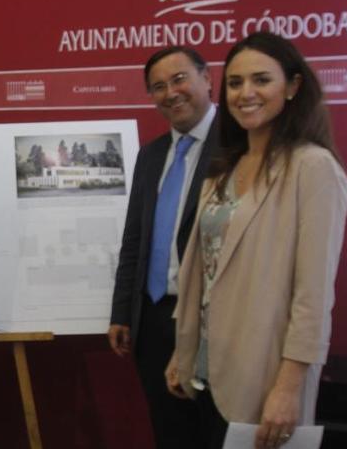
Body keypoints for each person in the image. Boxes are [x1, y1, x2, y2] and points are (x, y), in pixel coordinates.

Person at [165, 32, 347, 449]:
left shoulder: (312, 168)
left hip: (266, 377)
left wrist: (288, 387)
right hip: (207, 372)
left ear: (293, 87)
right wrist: (184, 351)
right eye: (234, 83)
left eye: (261, 80)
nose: (245, 93)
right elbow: (202, 274)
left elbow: (313, 296)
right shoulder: (223, 168)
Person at [109, 46, 217, 447]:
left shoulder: (239, 147)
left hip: (213, 319)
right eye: (158, 87)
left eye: (179, 79)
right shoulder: (152, 155)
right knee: (171, 432)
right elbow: (135, 238)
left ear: (207, 78)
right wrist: (123, 310)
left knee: (215, 430)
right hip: (153, 319)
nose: (171, 93)